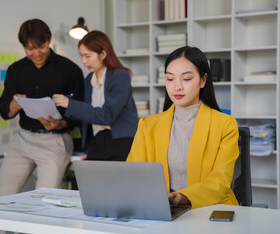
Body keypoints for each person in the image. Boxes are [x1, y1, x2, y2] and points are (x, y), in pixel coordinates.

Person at [126, 46, 239, 209]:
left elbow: (219, 183)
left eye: (186, 79)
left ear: (203, 80)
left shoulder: (224, 124)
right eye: (170, 79)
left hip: (210, 208)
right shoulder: (147, 125)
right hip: (160, 209)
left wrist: (183, 197)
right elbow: (132, 175)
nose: (176, 87)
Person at [0, 19, 84, 198]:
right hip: (23, 139)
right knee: (0, 198)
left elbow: (79, 112)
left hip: (55, 141)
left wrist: (60, 124)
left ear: (49, 39)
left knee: (46, 201)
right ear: (23, 47)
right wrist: (13, 105)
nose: (36, 53)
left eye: (40, 46)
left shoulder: (70, 70)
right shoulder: (16, 70)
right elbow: (5, 111)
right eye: (30, 49)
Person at [53, 30, 138, 161]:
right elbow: (87, 116)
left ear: (103, 54)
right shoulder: (88, 81)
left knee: (119, 181)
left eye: (88, 56)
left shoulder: (120, 76)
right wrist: (89, 149)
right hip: (98, 140)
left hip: (122, 141)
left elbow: (106, 115)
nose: (84, 61)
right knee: (93, 180)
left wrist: (69, 103)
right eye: (81, 56)